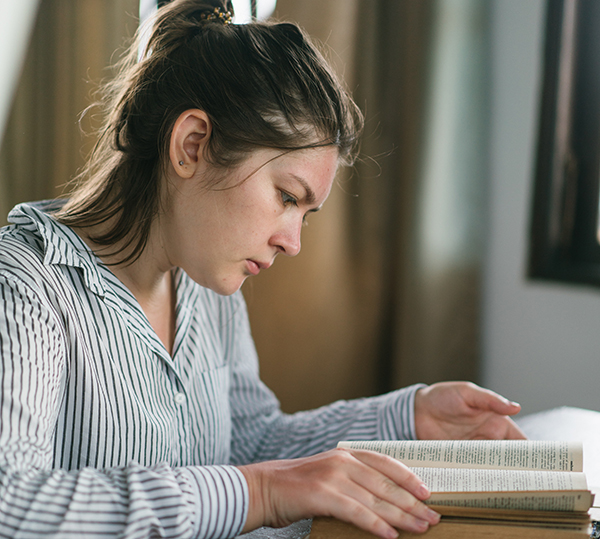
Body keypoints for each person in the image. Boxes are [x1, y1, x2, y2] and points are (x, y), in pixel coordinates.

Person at [0, 1, 525, 538]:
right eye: (284, 196)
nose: (291, 243)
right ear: (192, 145)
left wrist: (409, 418)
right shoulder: (23, 286)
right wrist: (262, 493)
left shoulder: (206, 282)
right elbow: (9, 505)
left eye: (305, 214)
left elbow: (250, 444)